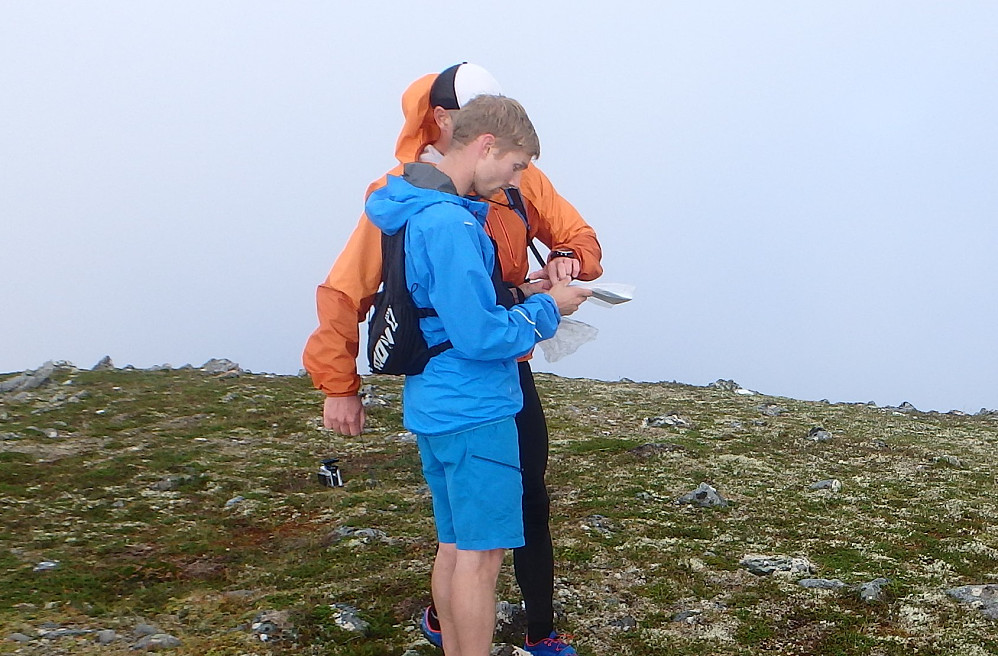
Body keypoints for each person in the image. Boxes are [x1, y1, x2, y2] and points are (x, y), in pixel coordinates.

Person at [302, 63, 602, 655]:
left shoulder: (410, 203)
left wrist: (552, 272)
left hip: (436, 398)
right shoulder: (449, 222)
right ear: (464, 130)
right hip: (477, 397)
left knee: (457, 542)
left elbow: (571, 239)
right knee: (482, 556)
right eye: (516, 165)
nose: (520, 178)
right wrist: (548, 309)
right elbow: (477, 334)